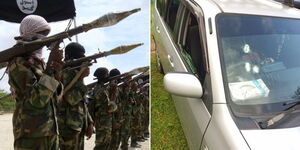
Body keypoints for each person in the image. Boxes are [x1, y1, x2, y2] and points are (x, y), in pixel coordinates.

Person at [7, 15, 63, 149]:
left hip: (49, 132)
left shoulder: (39, 63)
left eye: (47, 34)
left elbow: (54, 98)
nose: (45, 39)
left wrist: (57, 74)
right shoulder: (18, 63)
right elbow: (37, 99)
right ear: (30, 33)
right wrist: (49, 68)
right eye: (42, 34)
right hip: (31, 136)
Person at [56, 42, 94, 150]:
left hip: (77, 126)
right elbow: (71, 99)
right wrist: (81, 77)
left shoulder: (75, 74)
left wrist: (89, 122)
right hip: (67, 129)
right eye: (79, 57)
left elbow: (82, 102)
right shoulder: (64, 72)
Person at [90, 67, 115, 150]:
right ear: (103, 76)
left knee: (104, 144)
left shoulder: (99, 88)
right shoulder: (101, 90)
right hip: (103, 122)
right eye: (107, 74)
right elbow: (109, 108)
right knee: (101, 145)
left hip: (103, 121)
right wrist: (113, 95)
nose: (108, 76)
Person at [109, 68, 124, 150]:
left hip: (118, 119)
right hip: (112, 120)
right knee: (110, 143)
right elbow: (110, 106)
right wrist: (114, 122)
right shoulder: (109, 88)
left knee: (116, 142)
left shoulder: (118, 88)